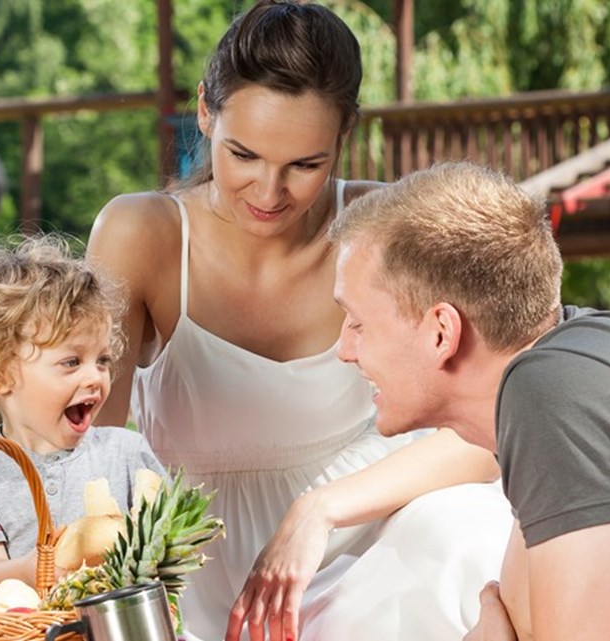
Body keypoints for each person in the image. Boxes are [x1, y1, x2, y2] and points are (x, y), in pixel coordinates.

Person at [86, 2, 512, 639]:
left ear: (344, 136)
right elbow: (89, 455)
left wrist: (318, 511)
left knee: (462, 540)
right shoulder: (141, 233)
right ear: (205, 111)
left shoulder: (384, 225)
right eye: (243, 155)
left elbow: (492, 430)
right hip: (205, 577)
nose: (268, 192)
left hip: (373, 537)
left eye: (305, 166)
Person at [329, 160, 610, 641]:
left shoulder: (553, 394)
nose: (345, 350)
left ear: (440, 333)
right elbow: (522, 623)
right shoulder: (577, 354)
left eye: (358, 324)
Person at [0, 234, 167, 597]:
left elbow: (171, 538)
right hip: (15, 630)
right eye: (71, 362)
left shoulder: (126, 455)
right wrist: (31, 571)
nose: (95, 377)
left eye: (102, 360)